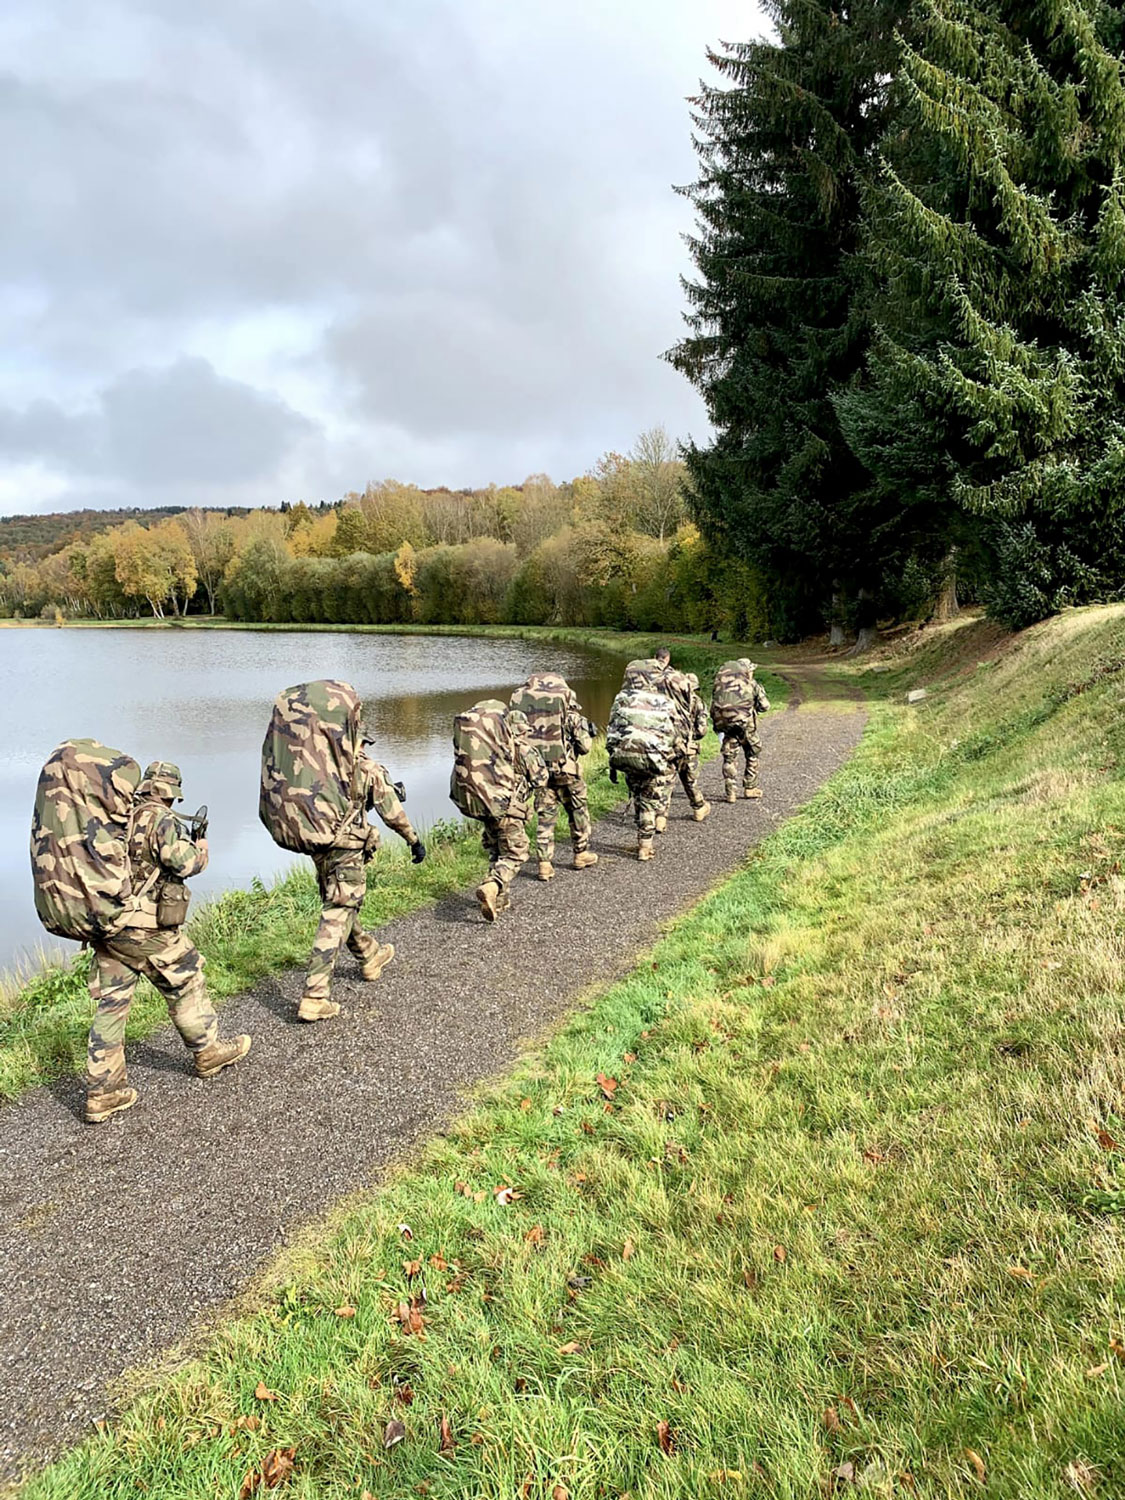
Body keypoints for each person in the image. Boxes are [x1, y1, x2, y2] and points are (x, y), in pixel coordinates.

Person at [85, 761, 250, 1124]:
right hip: (145, 930)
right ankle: (207, 1052)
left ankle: (103, 1093)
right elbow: (185, 863)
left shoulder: (117, 815)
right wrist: (201, 846)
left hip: (108, 927)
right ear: (172, 793)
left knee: (112, 1006)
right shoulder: (162, 820)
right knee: (187, 980)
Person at [299, 744, 426, 1022]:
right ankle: (314, 996)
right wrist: (413, 840)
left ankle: (369, 957)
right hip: (347, 849)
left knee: (342, 904)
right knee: (338, 912)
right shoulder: (365, 768)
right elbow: (392, 812)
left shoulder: (316, 762)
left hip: (318, 849)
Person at [475, 708, 549, 919]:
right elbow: (541, 779)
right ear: (520, 730)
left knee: (497, 852)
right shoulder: (524, 751)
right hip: (510, 811)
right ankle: (493, 885)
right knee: (516, 853)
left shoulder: (490, 749)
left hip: (489, 811)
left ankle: (498, 900)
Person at [528, 678, 599, 882]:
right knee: (578, 811)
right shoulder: (572, 717)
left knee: (545, 818)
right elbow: (585, 747)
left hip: (541, 775)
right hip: (568, 774)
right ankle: (580, 854)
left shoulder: (532, 717)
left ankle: (544, 864)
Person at [655, 669, 711, 831]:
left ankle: (660, 817)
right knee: (690, 781)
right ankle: (699, 808)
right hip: (688, 749)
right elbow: (702, 731)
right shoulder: (698, 703)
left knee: (666, 782)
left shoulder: (666, 702)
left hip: (669, 747)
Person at [711, 658, 771, 801]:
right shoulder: (752, 685)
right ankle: (750, 787)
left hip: (729, 727)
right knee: (752, 753)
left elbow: (713, 708)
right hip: (747, 727)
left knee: (729, 758)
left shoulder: (724, 688)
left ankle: (730, 792)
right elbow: (765, 706)